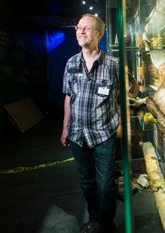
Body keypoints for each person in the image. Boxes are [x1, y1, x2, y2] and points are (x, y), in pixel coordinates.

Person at [60, 14, 120, 233]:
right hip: (77, 134)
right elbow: (68, 97)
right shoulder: (71, 63)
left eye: (87, 28)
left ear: (99, 34)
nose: (81, 31)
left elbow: (130, 92)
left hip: (103, 134)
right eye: (78, 28)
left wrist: (121, 120)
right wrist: (65, 128)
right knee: (87, 182)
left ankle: (106, 225)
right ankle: (95, 220)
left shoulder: (114, 64)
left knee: (106, 186)